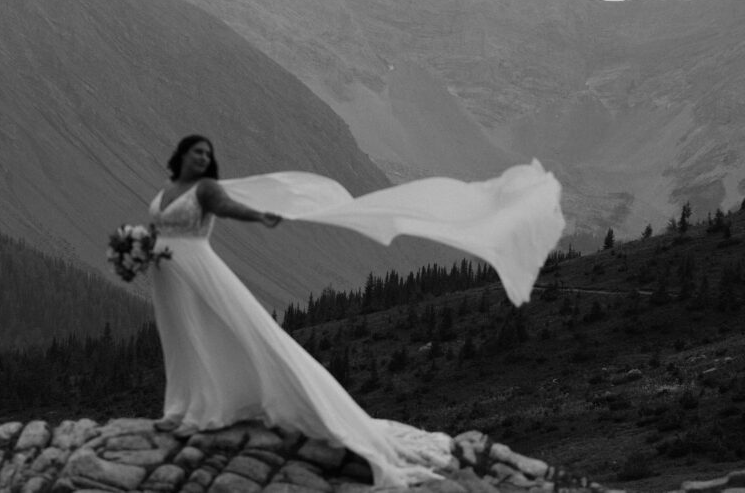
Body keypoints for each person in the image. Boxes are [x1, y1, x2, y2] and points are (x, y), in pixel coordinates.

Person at [146, 134, 564, 487]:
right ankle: (184, 405)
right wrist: (136, 246)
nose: (202, 157)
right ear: (181, 154)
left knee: (224, 329)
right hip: (167, 272)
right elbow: (156, 225)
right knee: (181, 334)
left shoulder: (205, 190)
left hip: (198, 269)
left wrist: (262, 214)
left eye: (207, 153)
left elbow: (229, 208)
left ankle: (212, 407)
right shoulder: (167, 191)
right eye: (196, 152)